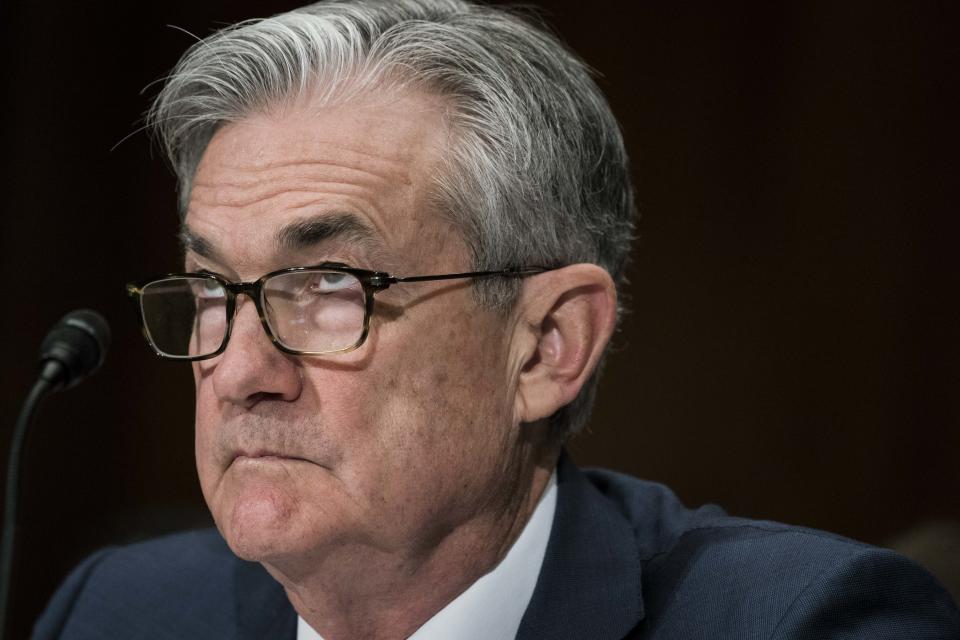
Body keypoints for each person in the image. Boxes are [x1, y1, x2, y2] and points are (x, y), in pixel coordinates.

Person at [33, 1, 960, 638]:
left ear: (548, 346)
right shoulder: (122, 610)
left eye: (326, 286)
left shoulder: (803, 623)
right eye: (211, 290)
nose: (239, 372)